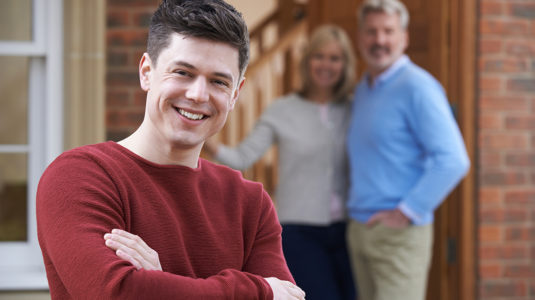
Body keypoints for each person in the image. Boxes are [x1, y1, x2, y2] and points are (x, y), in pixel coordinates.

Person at [36, 0, 306, 299]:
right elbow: (116, 294)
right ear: (146, 72)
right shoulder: (80, 177)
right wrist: (259, 291)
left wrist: (160, 282)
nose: (198, 94)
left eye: (218, 81)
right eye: (183, 72)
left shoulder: (250, 204)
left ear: (235, 94)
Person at [204, 25, 356, 300]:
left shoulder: (355, 109)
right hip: (300, 230)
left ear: (345, 64)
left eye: (335, 58)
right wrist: (206, 139)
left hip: (351, 229)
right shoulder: (281, 110)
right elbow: (243, 157)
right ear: (307, 61)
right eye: (319, 56)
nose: (326, 64)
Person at [345, 0, 470, 299]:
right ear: (360, 37)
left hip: (398, 235)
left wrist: (406, 211)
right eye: (372, 31)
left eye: (388, 31)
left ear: (405, 37)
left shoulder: (419, 87)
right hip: (360, 230)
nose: (380, 40)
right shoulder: (364, 88)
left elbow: (453, 160)